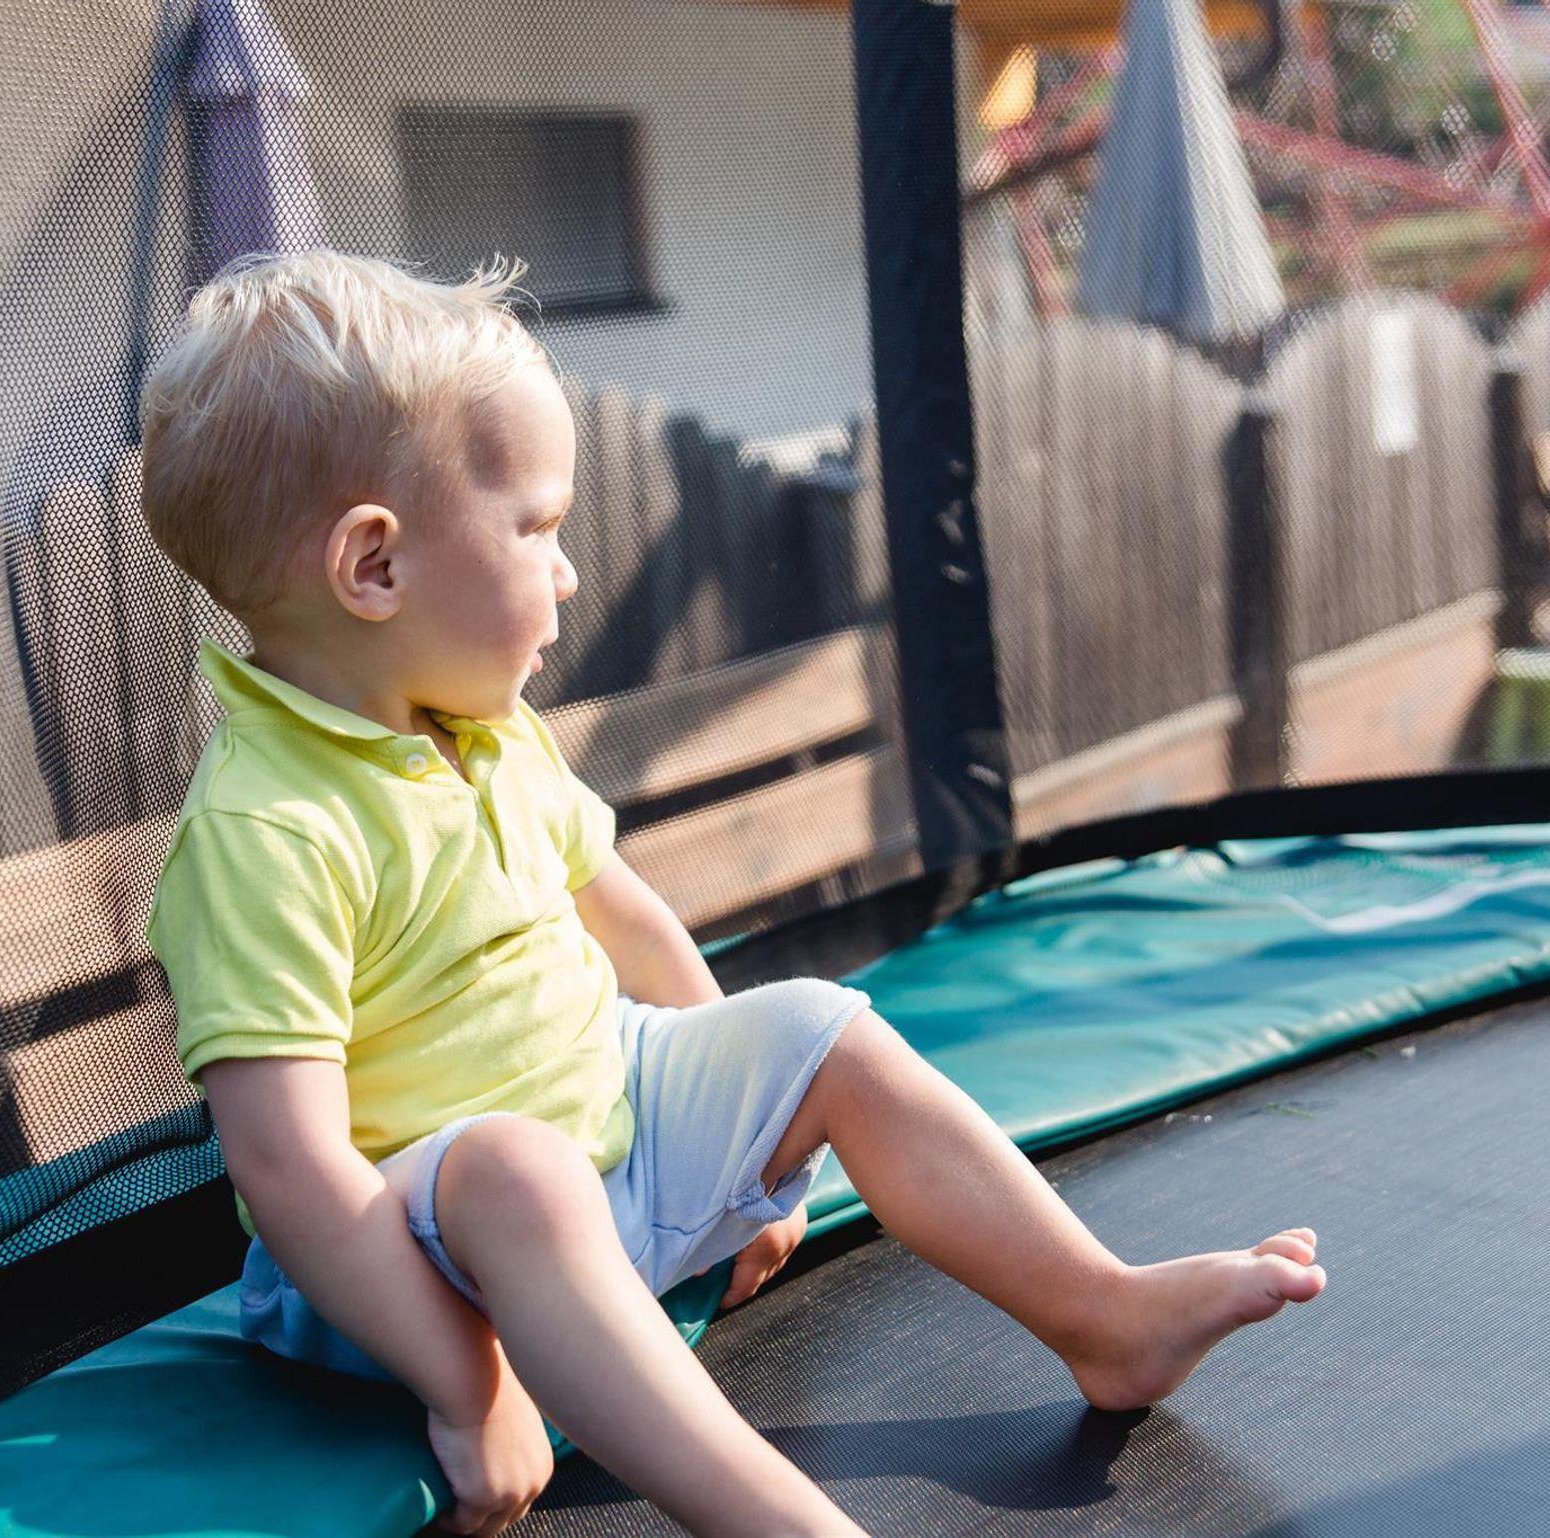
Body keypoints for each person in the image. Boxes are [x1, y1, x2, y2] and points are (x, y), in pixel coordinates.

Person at [138, 248, 1327, 1538]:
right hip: (408, 1275)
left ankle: (1104, 1316)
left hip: (606, 1159)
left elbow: (632, 924)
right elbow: (293, 1168)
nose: (568, 571)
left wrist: (752, 1157)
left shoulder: (481, 731)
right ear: (375, 566)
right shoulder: (270, 828)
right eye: (537, 528)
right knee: (517, 1171)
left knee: (822, 1025)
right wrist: (462, 1380)